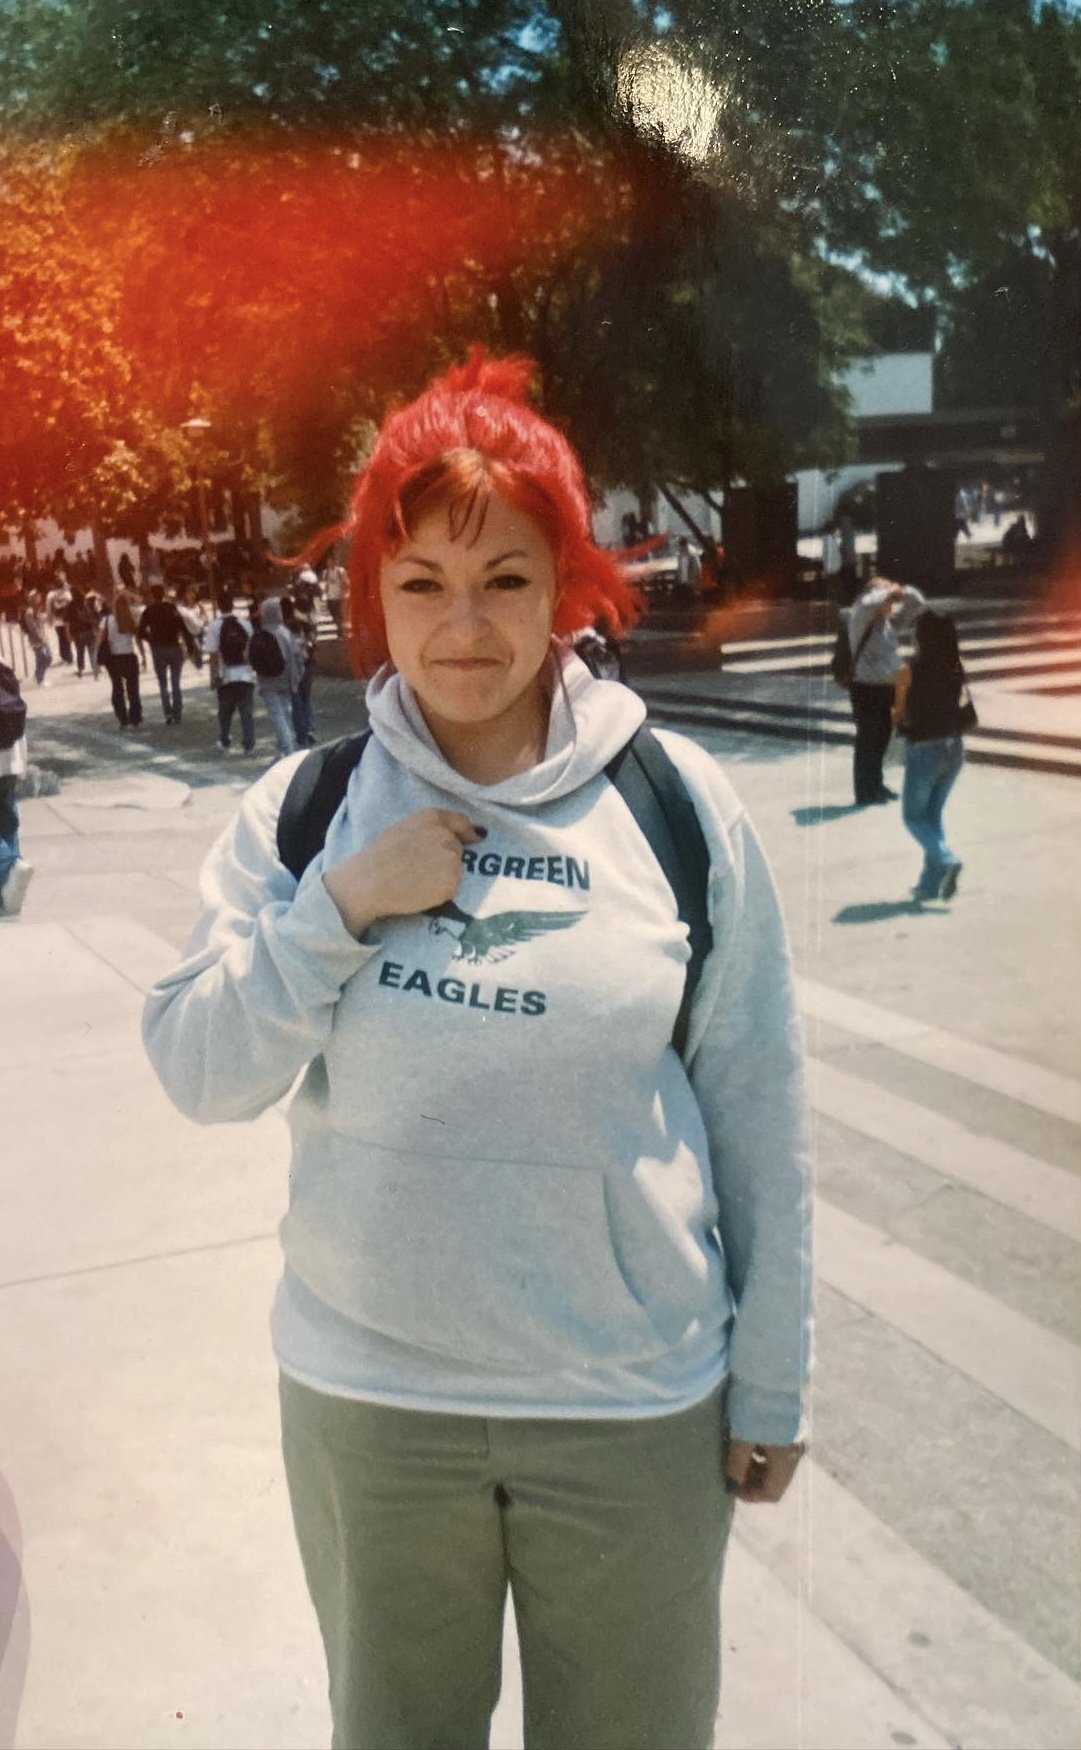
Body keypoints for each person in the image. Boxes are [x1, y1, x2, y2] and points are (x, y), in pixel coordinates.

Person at [142, 351, 812, 1750]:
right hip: (375, 1405)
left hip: (629, 1404)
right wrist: (338, 905)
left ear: (565, 589)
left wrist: (775, 1376)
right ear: (371, 603)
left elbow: (756, 1105)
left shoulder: (674, 804)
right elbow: (202, 1069)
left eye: (505, 578)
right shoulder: (304, 808)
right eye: (422, 583)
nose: (463, 625)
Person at [893, 610, 970, 901]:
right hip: (954, 747)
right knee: (932, 817)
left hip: (925, 748)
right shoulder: (957, 665)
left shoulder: (908, 670)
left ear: (921, 638)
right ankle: (929, 883)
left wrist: (898, 719)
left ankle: (947, 859)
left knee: (913, 816)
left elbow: (899, 713)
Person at [843, 574, 925, 807]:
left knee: (881, 738)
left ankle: (876, 784)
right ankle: (864, 791)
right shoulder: (860, 615)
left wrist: (905, 589)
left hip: (887, 687)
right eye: (887, 600)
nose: (891, 605)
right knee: (868, 739)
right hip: (865, 687)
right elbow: (870, 601)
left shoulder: (887, 623)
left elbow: (917, 604)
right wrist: (889, 590)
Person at [204, 589, 256, 754]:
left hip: (226, 675)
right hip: (246, 674)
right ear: (233, 605)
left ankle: (225, 739)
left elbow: (213, 655)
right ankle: (249, 743)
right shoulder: (245, 624)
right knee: (246, 712)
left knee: (225, 711)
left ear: (219, 606)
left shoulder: (214, 626)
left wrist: (213, 677)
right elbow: (251, 649)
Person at [0, 661, 32, 919]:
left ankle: (11, 866)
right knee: (9, 822)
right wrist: (23, 763)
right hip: (11, 760)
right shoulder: (5, 670)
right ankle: (10, 891)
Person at [251, 596, 302, 757]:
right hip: (286, 680)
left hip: (267, 681)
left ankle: (288, 749)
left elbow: (248, 655)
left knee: (277, 715)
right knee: (285, 712)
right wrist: (297, 676)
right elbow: (297, 656)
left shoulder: (261, 634)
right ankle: (285, 746)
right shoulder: (285, 632)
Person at [138, 584, 188, 724]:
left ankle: (168, 713)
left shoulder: (148, 611)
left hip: (158, 649)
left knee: (163, 683)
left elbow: (141, 632)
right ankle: (177, 712)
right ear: (163, 594)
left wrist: (151, 639)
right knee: (175, 682)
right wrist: (188, 645)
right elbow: (182, 626)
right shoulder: (171, 608)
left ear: (152, 596)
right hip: (173, 646)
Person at [100, 586, 143, 728]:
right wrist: (127, 593)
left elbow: (100, 640)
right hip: (130, 656)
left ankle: (122, 718)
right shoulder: (131, 618)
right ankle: (135, 717)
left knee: (117, 689)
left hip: (114, 659)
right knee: (133, 689)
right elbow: (141, 601)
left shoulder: (107, 621)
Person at [281, 592, 317, 746]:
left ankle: (301, 734)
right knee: (306, 698)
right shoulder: (302, 624)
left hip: (293, 668)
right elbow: (314, 642)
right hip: (308, 664)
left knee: (296, 701)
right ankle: (310, 728)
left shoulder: (281, 629)